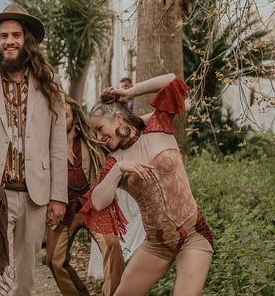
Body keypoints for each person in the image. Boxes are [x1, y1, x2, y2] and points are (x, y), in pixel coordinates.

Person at [0, 3, 67, 296]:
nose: (9, 41)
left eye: (15, 35)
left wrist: (59, 196)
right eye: (3, 35)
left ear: (26, 39)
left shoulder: (49, 84)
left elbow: (58, 143)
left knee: (26, 276)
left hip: (36, 193)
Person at [83, 75, 213, 296]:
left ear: (118, 118)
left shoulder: (158, 126)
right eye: (94, 133)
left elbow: (173, 81)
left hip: (193, 235)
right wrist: (119, 169)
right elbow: (97, 202)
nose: (98, 136)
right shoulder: (115, 162)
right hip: (157, 245)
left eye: (99, 128)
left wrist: (131, 92)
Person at [47, 98, 124, 296]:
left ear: (74, 118)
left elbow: (115, 140)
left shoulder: (91, 139)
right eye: (57, 116)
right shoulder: (46, 145)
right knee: (54, 260)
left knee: (112, 246)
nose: (61, 120)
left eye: (65, 116)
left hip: (93, 207)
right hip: (65, 211)